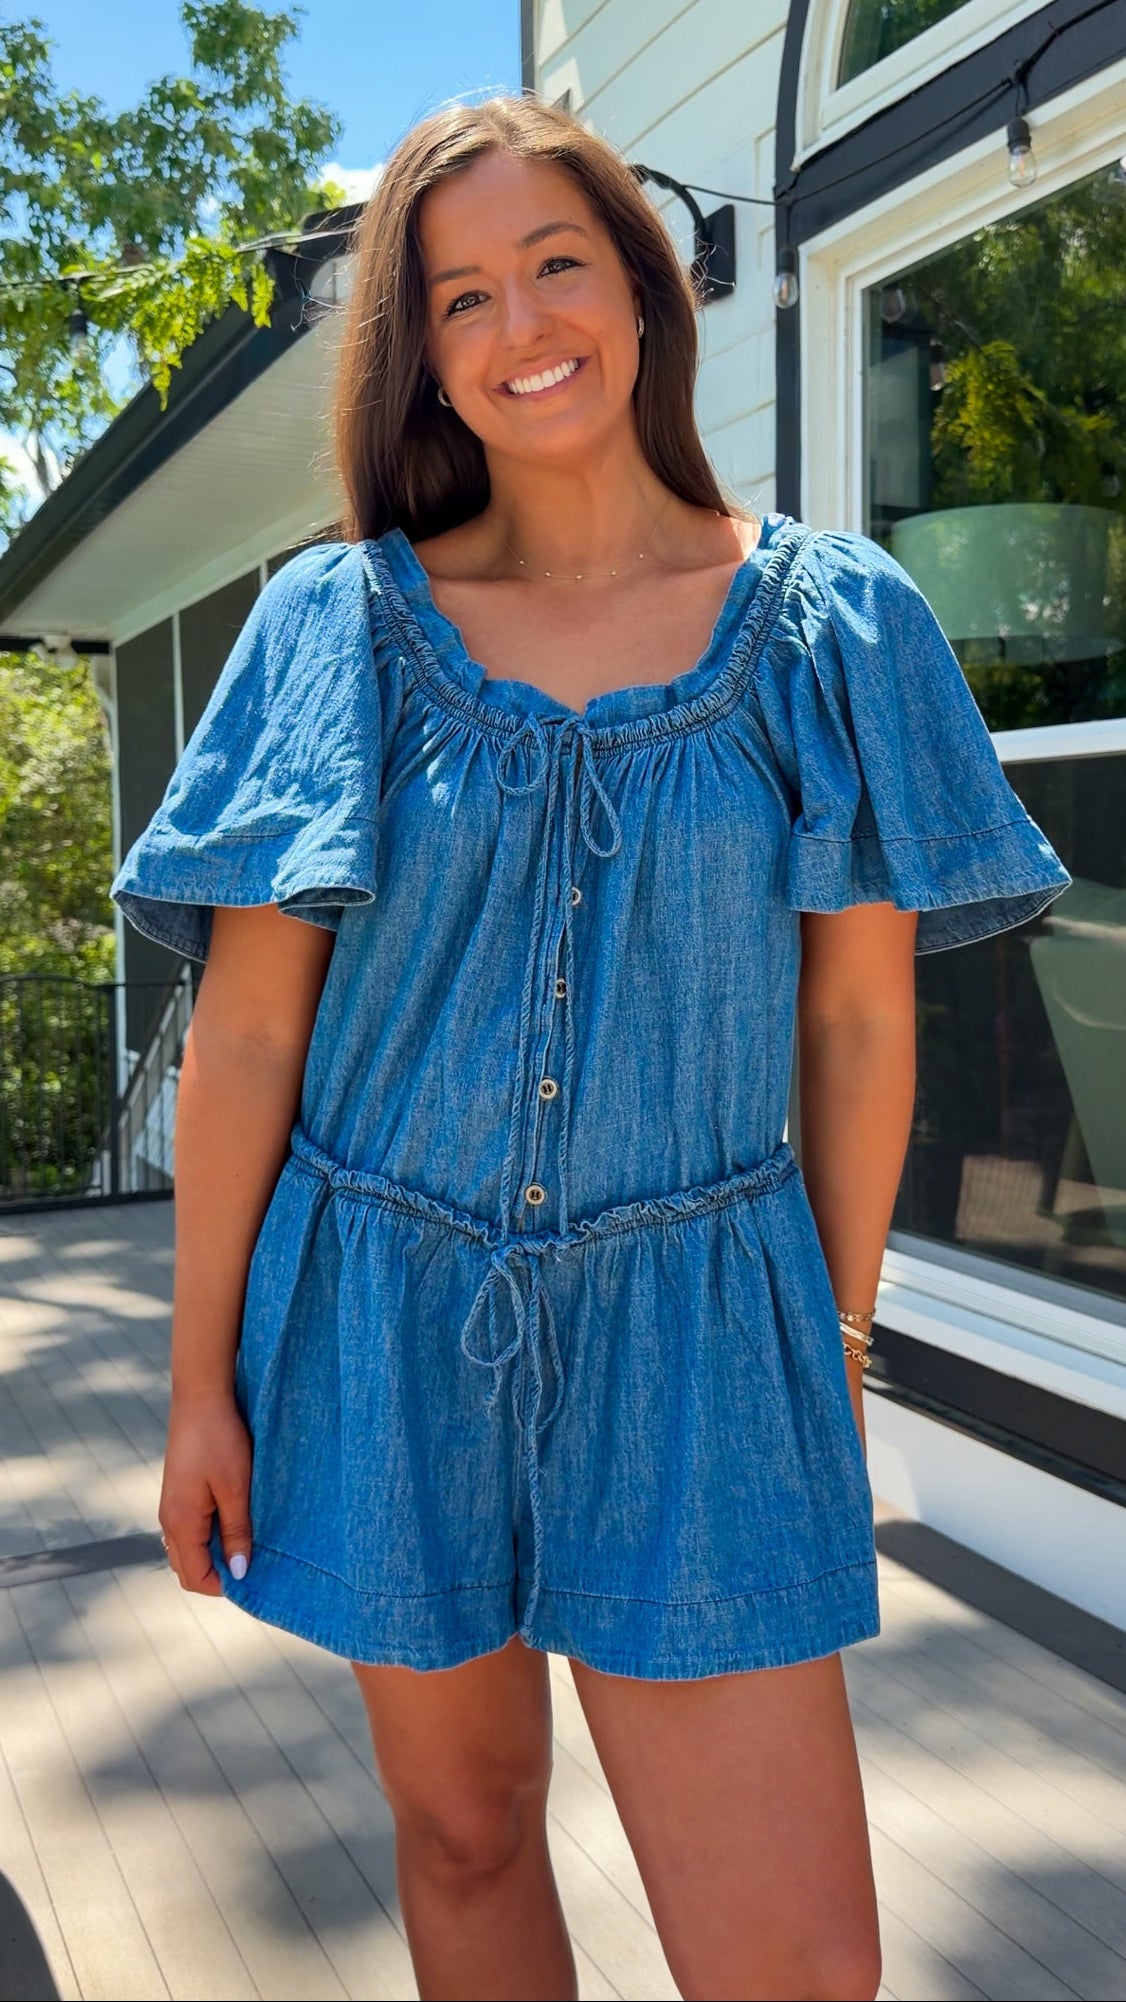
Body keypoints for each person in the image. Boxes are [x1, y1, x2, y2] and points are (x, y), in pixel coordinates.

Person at [111, 95, 1072, 2002]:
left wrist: (837, 1334)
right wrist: (198, 1384)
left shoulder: (828, 626)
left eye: (557, 260)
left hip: (705, 1330)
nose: (517, 319)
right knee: (463, 1837)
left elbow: (861, 1017)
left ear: (642, 289)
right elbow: (241, 1042)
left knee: (796, 1960)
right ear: (425, 357)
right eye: (457, 293)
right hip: (380, 1315)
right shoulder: (336, 625)